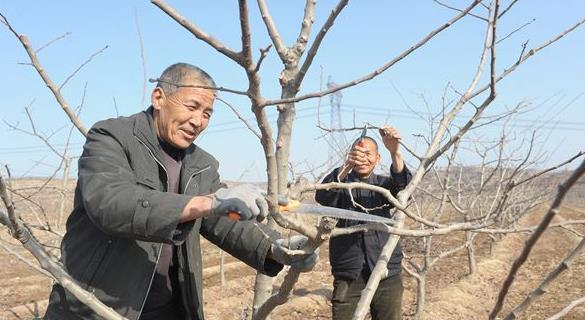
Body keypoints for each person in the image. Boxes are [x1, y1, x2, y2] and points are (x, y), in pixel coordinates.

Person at [44, 63, 318, 320]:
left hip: (171, 306)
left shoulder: (201, 163)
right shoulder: (111, 137)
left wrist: (273, 246)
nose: (198, 120)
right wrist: (207, 203)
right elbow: (111, 203)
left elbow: (223, 217)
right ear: (159, 98)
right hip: (98, 306)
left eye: (207, 113)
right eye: (192, 106)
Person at [315, 127, 411, 320]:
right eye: (358, 154)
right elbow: (323, 195)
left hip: (385, 267)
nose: (363, 159)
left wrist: (395, 151)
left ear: (377, 158)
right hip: (349, 271)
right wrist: (346, 167)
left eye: (368, 154)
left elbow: (404, 189)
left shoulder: (384, 185)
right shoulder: (341, 184)